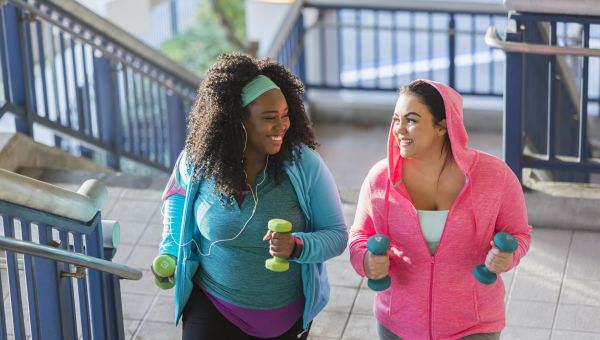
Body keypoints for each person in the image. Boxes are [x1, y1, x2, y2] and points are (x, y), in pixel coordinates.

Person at [154, 53, 348, 339]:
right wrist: (170, 250)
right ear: (237, 120)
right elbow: (178, 198)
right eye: (270, 118)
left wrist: (297, 246)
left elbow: (337, 235)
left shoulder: (305, 165)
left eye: (285, 115)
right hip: (213, 303)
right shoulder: (199, 161)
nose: (282, 126)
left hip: (283, 318)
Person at [349, 79, 532, 339]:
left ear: (442, 126)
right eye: (396, 119)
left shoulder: (496, 178)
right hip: (398, 325)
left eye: (411, 120)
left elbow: (520, 235)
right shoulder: (380, 179)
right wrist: (365, 261)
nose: (399, 129)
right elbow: (359, 236)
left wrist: (507, 257)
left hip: (474, 326)